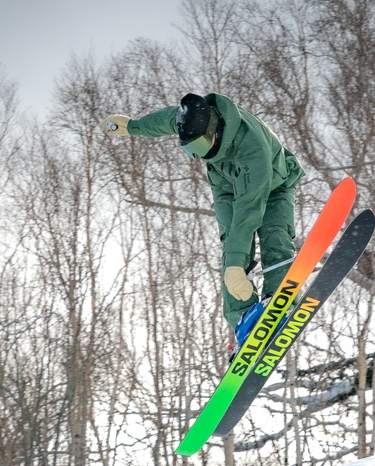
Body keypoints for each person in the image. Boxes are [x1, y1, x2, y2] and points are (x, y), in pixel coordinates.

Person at [101, 93, 304, 350]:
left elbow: (248, 213)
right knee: (231, 240)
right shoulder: (193, 117)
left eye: (199, 147)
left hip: (275, 183)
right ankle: (244, 316)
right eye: (191, 150)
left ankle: (279, 303)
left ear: (214, 130)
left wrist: (235, 267)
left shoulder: (252, 148)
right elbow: (164, 120)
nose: (199, 155)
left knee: (273, 236)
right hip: (227, 187)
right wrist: (132, 126)